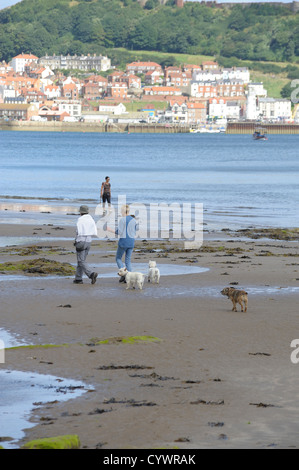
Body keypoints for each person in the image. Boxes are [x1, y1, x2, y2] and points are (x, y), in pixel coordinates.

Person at [73, 205, 98, 285]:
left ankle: (91, 274)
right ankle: (78, 279)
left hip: (81, 241)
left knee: (81, 261)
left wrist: (76, 241)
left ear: (81, 212)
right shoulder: (91, 219)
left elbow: (78, 231)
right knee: (81, 260)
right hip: (88, 241)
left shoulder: (80, 220)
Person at [115, 205, 137, 283]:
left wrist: (113, 230)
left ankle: (124, 274)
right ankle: (130, 276)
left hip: (123, 242)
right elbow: (135, 231)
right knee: (128, 260)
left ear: (123, 211)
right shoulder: (134, 220)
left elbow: (119, 232)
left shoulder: (122, 220)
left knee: (118, 258)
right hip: (131, 242)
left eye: (121, 211)